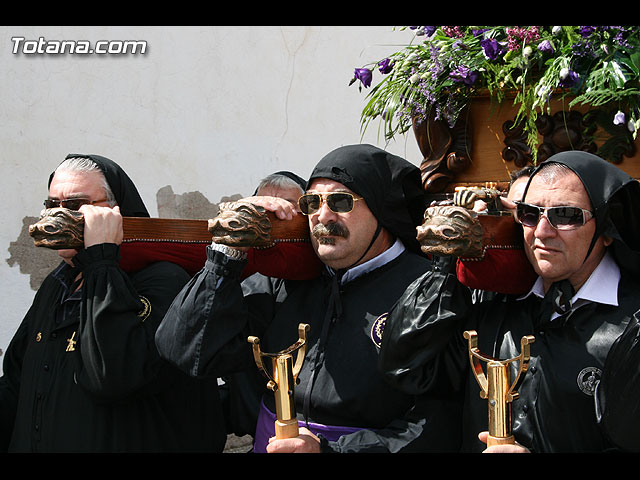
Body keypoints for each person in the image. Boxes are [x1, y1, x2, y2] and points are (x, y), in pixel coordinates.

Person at [156, 143, 463, 453]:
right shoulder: (286, 280)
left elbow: (437, 425)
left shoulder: (428, 288)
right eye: (312, 203)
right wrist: (227, 252)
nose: (322, 216)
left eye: (341, 202)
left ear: (380, 208)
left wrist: (331, 452)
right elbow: (187, 350)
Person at [378, 150, 640, 453]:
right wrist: (448, 264)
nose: (542, 232)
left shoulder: (632, 322)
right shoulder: (490, 301)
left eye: (565, 215)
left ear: (606, 228)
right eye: (530, 214)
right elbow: (406, 369)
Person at [0, 154, 226, 452]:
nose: (57, 215)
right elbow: (19, 382)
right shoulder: (58, 284)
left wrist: (102, 259)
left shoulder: (163, 281)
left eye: (74, 205)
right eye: (51, 205)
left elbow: (113, 377)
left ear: (115, 211)